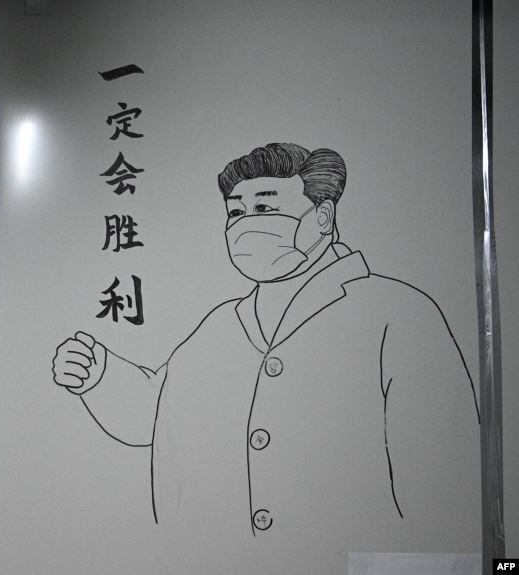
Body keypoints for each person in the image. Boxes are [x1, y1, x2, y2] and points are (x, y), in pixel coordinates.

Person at [52, 143, 481, 568]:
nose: (245, 225)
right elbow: (158, 409)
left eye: (264, 208)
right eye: (235, 212)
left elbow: (444, 479)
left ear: (322, 216)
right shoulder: (221, 324)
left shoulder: (397, 312)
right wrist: (100, 375)